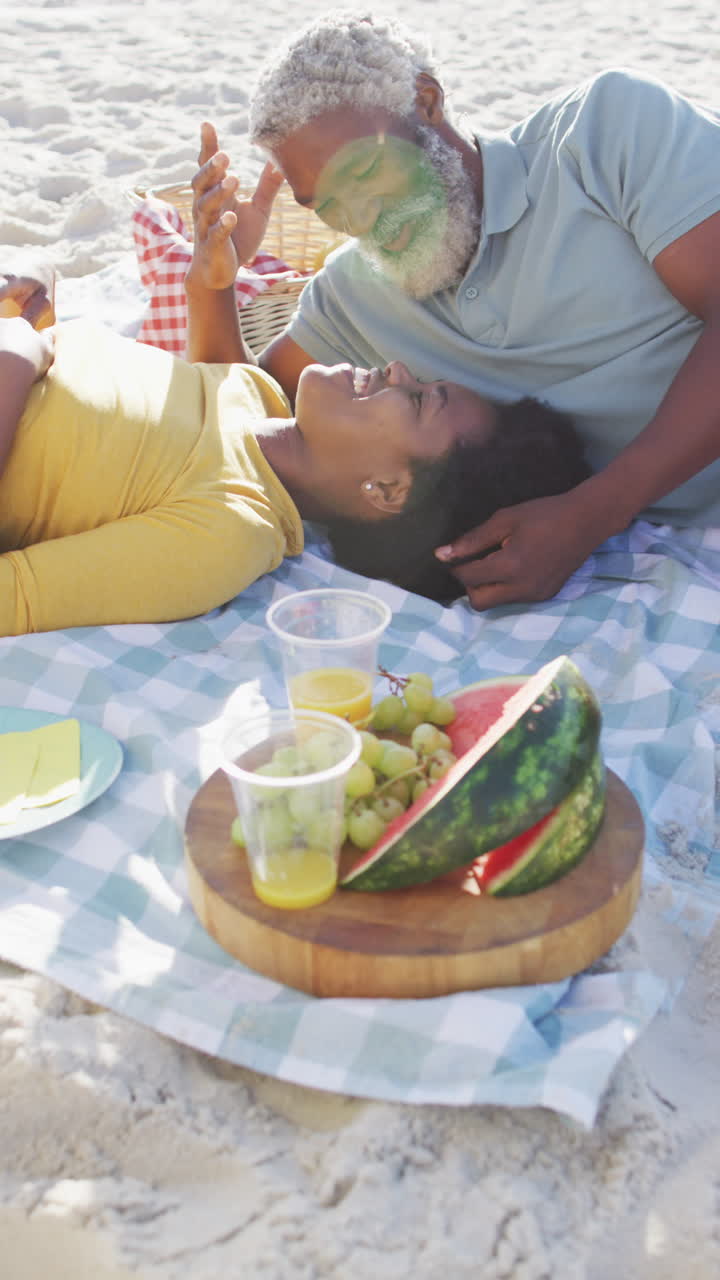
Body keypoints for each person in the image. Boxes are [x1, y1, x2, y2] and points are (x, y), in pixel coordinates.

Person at [192, 10, 720, 612]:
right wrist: (211, 285)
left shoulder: (604, 132)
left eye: (365, 170)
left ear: (426, 101)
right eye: (327, 204)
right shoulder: (354, 293)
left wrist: (594, 511)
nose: (362, 219)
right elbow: (244, 418)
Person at [0, 238, 588, 637]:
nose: (398, 370)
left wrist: (17, 355)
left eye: (415, 399)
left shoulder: (228, 532)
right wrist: (34, 293)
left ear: (385, 488)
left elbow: (15, 600)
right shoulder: (255, 394)